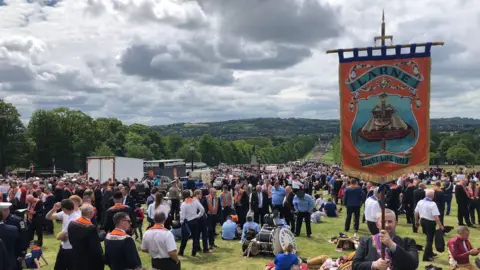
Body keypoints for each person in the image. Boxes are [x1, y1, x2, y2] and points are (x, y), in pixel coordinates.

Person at [352, 209, 419, 270]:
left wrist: (392, 245)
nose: (387, 225)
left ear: (395, 224)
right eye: (383, 222)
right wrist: (374, 265)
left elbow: (413, 265)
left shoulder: (408, 243)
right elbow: (355, 265)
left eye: (390, 222)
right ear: (377, 224)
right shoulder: (366, 242)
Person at [45, 198, 81, 270]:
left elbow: (59, 237)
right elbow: (48, 217)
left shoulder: (74, 218)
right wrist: (53, 209)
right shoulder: (66, 214)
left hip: (70, 248)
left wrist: (63, 236)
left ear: (64, 209)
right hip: (64, 246)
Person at [67, 204, 104, 270]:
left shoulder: (72, 223)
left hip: (76, 255)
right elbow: (95, 247)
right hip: (89, 260)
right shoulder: (90, 228)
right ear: (91, 213)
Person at [415, 189, 444, 262]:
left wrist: (416, 221)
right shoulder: (433, 204)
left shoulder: (420, 202)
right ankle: (426, 257)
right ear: (433, 196)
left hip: (422, 221)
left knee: (428, 237)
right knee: (429, 240)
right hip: (430, 222)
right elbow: (436, 217)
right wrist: (441, 226)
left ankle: (430, 253)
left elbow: (416, 212)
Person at [0, 201, 29, 269]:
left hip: (14, 253)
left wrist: (22, 253)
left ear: (6, 210)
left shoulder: (17, 221)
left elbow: (24, 237)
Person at [179, 190, 205, 257]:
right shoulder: (195, 201)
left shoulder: (184, 204)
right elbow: (202, 210)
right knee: (195, 238)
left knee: (184, 238)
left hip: (187, 222)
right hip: (195, 220)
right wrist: (198, 216)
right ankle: (194, 253)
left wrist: (181, 222)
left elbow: (182, 215)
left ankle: (181, 252)